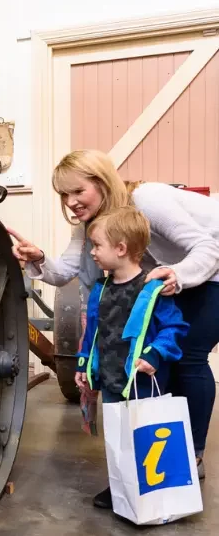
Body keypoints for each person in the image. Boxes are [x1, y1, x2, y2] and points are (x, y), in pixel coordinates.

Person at [9, 149, 219, 480]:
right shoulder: (94, 224)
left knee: (189, 357)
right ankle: (166, 449)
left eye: (78, 191)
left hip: (211, 269)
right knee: (164, 361)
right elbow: (65, 270)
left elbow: (208, 249)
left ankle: (193, 454)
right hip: (180, 274)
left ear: (103, 183)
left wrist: (177, 275)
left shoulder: (146, 200)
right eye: (64, 194)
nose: (71, 201)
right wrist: (38, 256)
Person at [74, 207, 188, 508]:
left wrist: (155, 353)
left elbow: (174, 328)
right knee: (116, 437)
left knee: (144, 436)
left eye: (97, 246)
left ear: (121, 248)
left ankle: (151, 490)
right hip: (111, 380)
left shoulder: (152, 290)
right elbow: (92, 332)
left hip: (142, 382)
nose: (93, 253)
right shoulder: (100, 290)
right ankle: (120, 487)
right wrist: (84, 362)